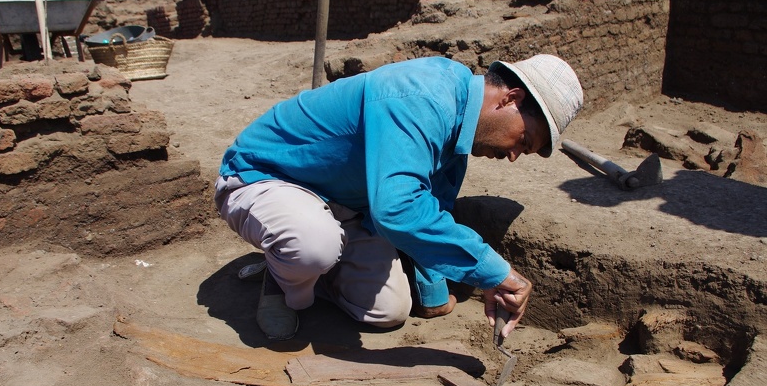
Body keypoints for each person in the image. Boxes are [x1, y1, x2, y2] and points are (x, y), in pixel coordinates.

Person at [215, 54, 583, 340]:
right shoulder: (421, 95)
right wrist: (494, 273)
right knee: (311, 241)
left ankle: (307, 265)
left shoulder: (456, 138)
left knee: (387, 312)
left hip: (348, 206)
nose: (514, 155)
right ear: (511, 99)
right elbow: (399, 209)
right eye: (523, 141)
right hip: (266, 178)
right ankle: (283, 277)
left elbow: (431, 207)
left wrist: (433, 292)